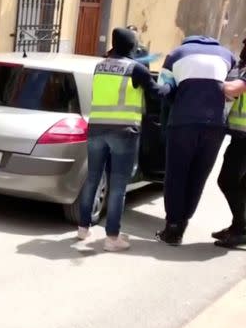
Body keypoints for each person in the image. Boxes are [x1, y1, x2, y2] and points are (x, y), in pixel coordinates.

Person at [77, 28, 170, 251]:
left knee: (92, 179)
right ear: (132, 47)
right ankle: (111, 238)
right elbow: (156, 93)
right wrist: (170, 85)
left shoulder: (100, 66)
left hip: (97, 129)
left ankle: (83, 229)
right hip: (124, 132)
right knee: (118, 186)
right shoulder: (135, 69)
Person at [156, 35, 238, 245]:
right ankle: (183, 222)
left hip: (183, 123)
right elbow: (233, 92)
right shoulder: (228, 56)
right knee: (198, 177)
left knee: (176, 175)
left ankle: (173, 229)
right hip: (215, 126)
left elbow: (164, 89)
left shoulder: (175, 55)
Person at [217, 40, 246, 247]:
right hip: (241, 136)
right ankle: (238, 227)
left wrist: (210, 82)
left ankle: (240, 228)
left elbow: (235, 89)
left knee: (227, 180)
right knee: (240, 183)